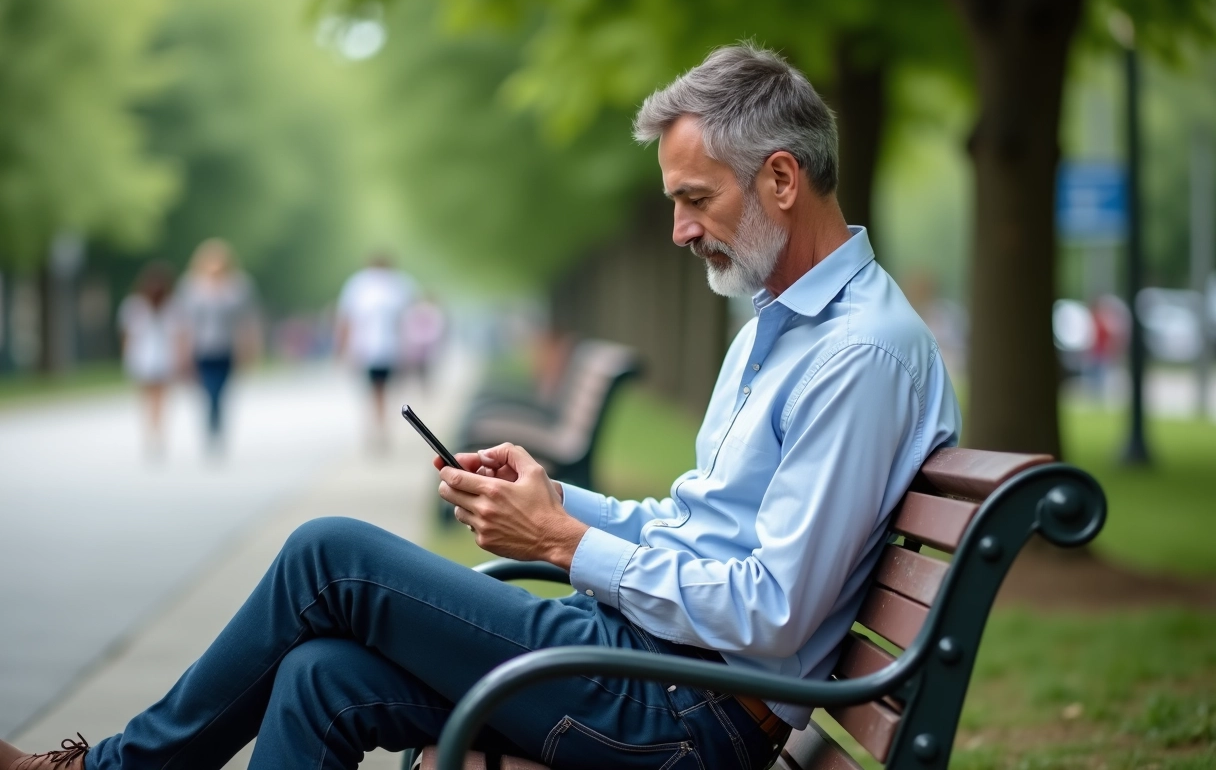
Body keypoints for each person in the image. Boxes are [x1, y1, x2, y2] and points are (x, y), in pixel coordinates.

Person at [0, 44, 960, 770]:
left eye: (695, 198)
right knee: (316, 676)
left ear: (782, 179)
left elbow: (774, 616)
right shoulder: (776, 328)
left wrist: (561, 547)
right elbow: (700, 528)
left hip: (689, 708)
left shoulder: (858, 353)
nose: (677, 229)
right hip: (654, 663)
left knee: (327, 554)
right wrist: (562, 502)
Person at [175, 239, 259, 452]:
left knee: (222, 389)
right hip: (201, 347)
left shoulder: (238, 285)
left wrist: (250, 347)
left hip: (228, 345)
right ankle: (211, 423)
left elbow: (246, 320)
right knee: (208, 389)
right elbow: (184, 321)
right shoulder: (191, 286)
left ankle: (218, 422)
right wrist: (182, 351)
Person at [335, 255, 417, 445]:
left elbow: (347, 319)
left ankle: (379, 426)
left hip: (381, 349)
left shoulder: (366, 285)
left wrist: (342, 348)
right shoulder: (392, 285)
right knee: (377, 390)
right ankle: (379, 427)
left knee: (378, 391)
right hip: (373, 349)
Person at [117, 261, 178, 457]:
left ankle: (159, 435)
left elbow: (179, 335)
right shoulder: (135, 306)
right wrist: (127, 358)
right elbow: (128, 336)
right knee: (145, 400)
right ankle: (148, 435)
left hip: (164, 359)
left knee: (161, 400)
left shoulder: (172, 307)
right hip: (142, 359)